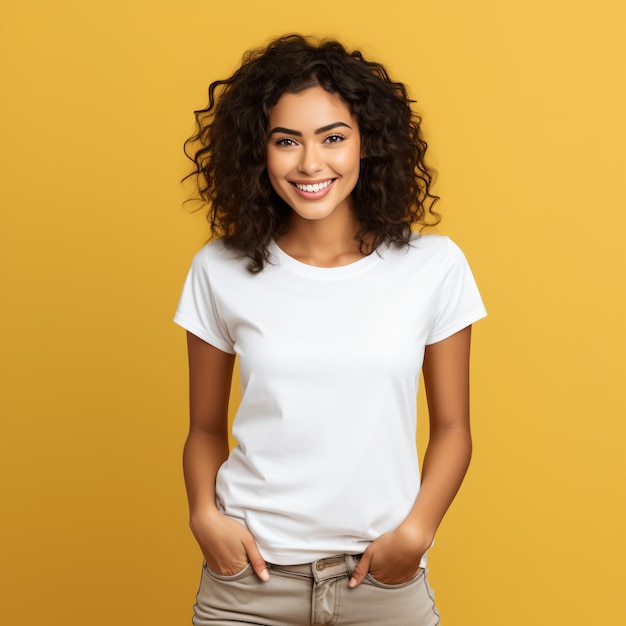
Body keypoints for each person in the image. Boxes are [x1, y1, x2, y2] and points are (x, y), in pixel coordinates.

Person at [174, 34, 486, 626]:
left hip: (382, 583)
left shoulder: (434, 266)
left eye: (333, 138)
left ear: (368, 144)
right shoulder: (220, 268)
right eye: (286, 141)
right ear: (257, 154)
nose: (310, 163)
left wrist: (416, 534)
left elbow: (452, 428)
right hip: (249, 587)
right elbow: (204, 428)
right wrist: (203, 517)